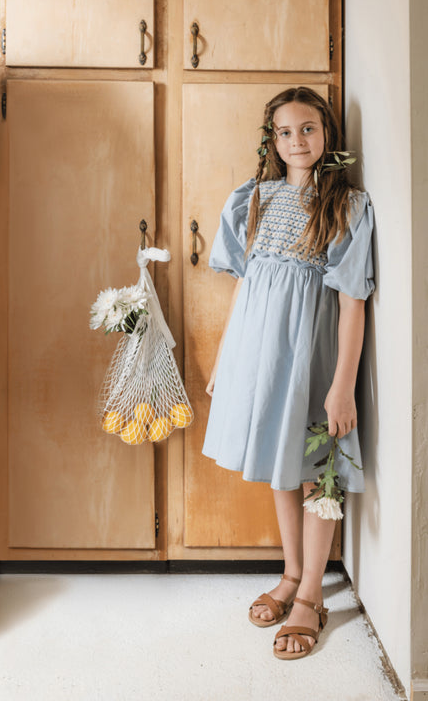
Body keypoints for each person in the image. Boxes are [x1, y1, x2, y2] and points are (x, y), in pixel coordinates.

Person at [203, 87, 375, 660]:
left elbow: (353, 301)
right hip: (261, 355)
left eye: (307, 129)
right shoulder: (255, 197)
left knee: (315, 467)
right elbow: (248, 290)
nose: (295, 141)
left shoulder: (345, 203)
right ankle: (292, 570)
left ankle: (310, 597)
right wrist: (228, 361)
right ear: (270, 140)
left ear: (327, 135)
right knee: (282, 462)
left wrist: (343, 384)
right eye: (283, 131)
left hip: (313, 354)